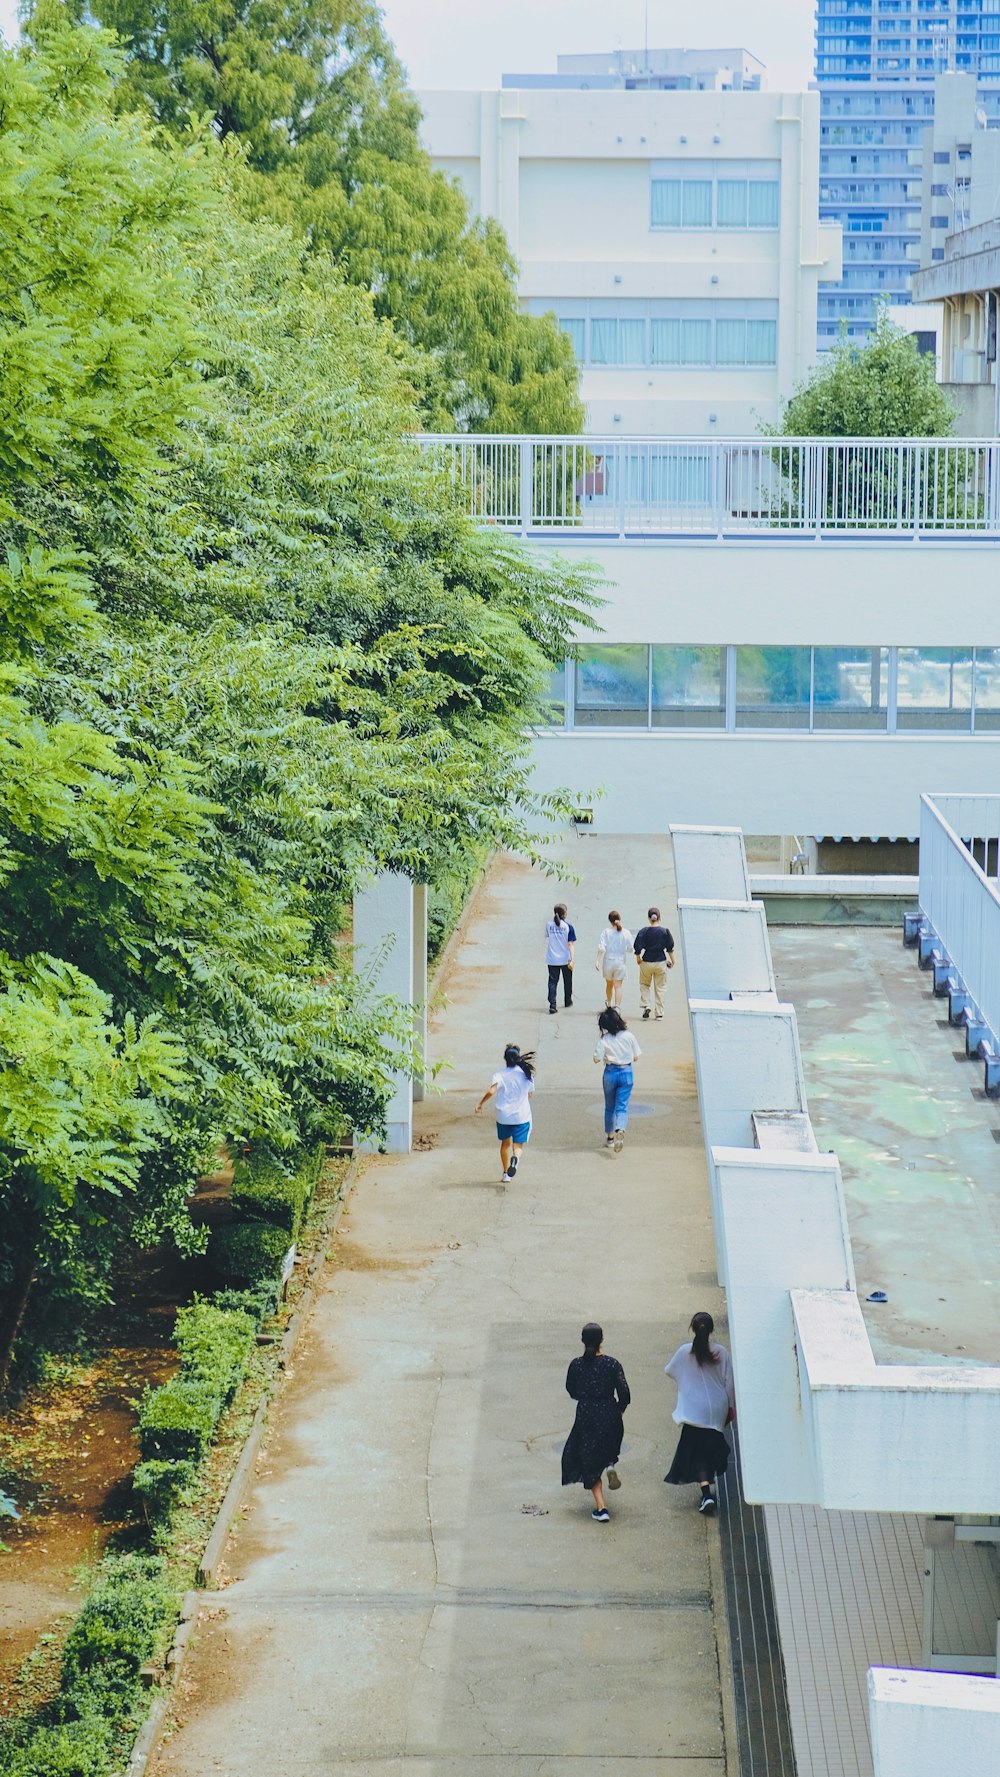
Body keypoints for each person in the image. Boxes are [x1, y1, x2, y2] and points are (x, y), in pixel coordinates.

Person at [663, 1311, 736, 1514]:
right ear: (711, 1330)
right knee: (709, 1445)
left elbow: (669, 1370)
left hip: (695, 1411)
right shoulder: (721, 1352)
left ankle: (706, 1494)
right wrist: (731, 1407)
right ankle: (707, 1491)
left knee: (696, 1451)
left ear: (692, 1329)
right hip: (716, 1409)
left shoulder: (684, 1352)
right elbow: (729, 1384)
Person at [561, 1322, 630, 1521]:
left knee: (588, 1459)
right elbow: (624, 1393)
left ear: (582, 1341)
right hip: (609, 1411)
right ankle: (610, 1465)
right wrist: (618, 1409)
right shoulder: (612, 1364)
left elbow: (571, 1389)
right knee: (607, 1448)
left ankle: (601, 1507)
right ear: (602, 1340)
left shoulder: (576, 1365)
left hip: (586, 1414)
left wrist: (584, 1398)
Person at [475, 1044, 535, 1181]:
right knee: (518, 1145)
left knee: (505, 1143)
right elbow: (530, 1093)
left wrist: (480, 1103)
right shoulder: (526, 1075)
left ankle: (506, 1173)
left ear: (505, 1059)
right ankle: (516, 1159)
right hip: (521, 1116)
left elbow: (491, 1091)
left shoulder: (499, 1075)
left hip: (503, 1116)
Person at [593, 1008, 641, 1152]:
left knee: (609, 1107)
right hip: (626, 1072)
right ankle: (621, 1128)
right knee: (622, 1106)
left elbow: (596, 1059)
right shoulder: (629, 1036)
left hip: (610, 1073)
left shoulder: (604, 1040)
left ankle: (610, 1138)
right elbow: (636, 1056)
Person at [633, 907, 675, 1021]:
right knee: (660, 988)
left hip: (646, 961)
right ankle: (659, 1013)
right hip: (661, 962)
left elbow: (637, 946)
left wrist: (638, 957)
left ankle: (646, 1005)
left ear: (648, 918)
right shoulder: (665, 931)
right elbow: (670, 948)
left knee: (644, 984)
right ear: (659, 918)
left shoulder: (644, 931)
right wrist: (673, 961)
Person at [596, 910, 634, 1008]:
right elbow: (631, 949)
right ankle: (617, 1007)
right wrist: (624, 949)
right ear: (619, 919)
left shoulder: (606, 932)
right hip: (620, 962)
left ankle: (609, 1004)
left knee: (609, 984)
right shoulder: (626, 933)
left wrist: (597, 961)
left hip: (608, 961)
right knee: (618, 986)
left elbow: (601, 948)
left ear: (610, 921)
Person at [545, 902, 576, 1014]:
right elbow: (570, 944)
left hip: (552, 959)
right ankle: (567, 1000)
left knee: (552, 982)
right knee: (567, 981)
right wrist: (572, 959)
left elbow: (548, 936)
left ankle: (552, 1004)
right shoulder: (568, 927)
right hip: (565, 959)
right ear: (564, 914)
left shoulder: (549, 925)